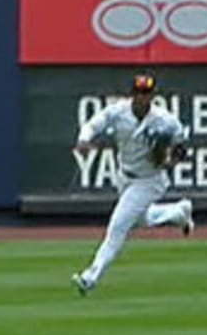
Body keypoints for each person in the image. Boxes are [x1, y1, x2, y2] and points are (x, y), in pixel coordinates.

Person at [69, 72, 196, 295]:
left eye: (147, 93)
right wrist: (84, 139)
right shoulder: (118, 112)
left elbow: (182, 144)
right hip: (125, 176)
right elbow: (93, 124)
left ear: (153, 95)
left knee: (118, 226)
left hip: (150, 180)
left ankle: (91, 276)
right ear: (132, 94)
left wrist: (171, 161)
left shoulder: (164, 120)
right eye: (139, 92)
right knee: (140, 219)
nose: (142, 97)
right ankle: (179, 212)